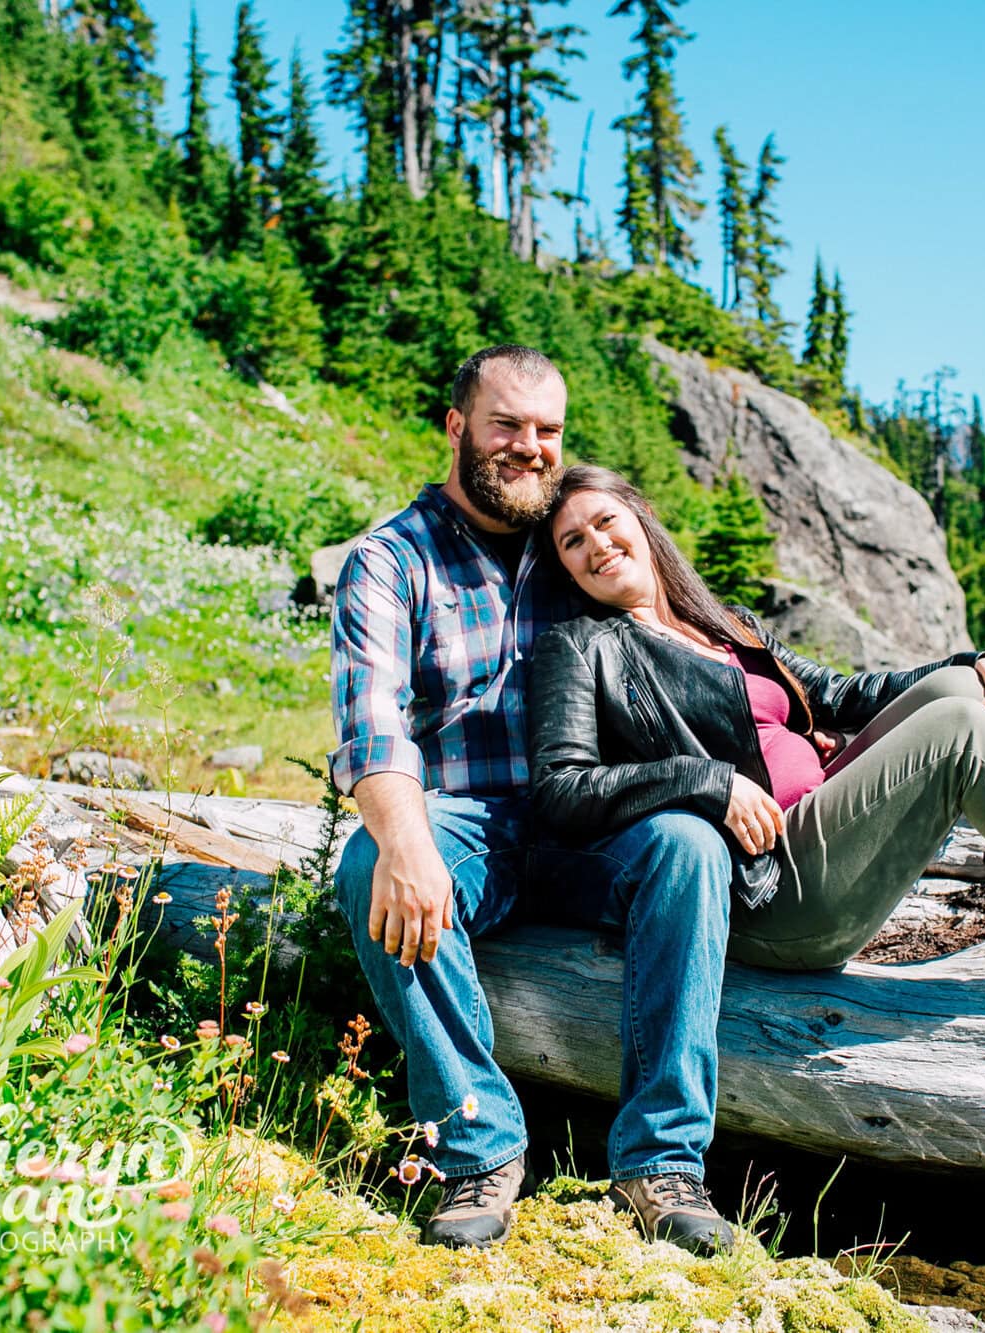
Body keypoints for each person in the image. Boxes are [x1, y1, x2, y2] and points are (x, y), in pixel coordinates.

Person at [530, 465, 985, 974]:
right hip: (775, 891)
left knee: (960, 689)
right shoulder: (582, 645)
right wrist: (706, 780)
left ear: (642, 517)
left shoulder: (727, 623)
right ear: (564, 568)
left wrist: (979, 659)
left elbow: (845, 692)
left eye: (605, 522)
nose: (597, 545)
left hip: (823, 823)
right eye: (574, 541)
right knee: (956, 734)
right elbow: (561, 788)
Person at [329, 346, 739, 1257]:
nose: (529, 447)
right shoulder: (390, 562)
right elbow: (371, 723)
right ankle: (479, 1144)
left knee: (688, 847)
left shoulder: (575, 543)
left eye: (547, 430)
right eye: (507, 425)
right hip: (464, 821)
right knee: (370, 862)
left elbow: (690, 634)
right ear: (457, 428)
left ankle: (661, 1161)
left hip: (586, 818)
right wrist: (404, 839)